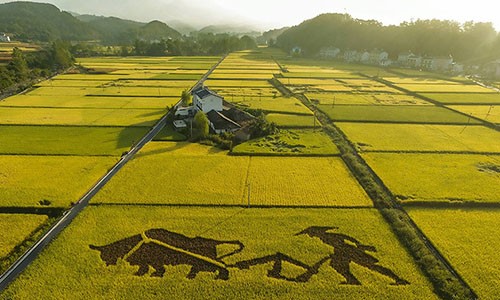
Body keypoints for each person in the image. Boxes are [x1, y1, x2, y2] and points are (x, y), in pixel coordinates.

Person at [296, 226, 409, 285]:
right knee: (336, 266)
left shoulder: (329, 235)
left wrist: (358, 244)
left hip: (349, 251)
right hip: (341, 252)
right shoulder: (323, 237)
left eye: (311, 233)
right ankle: (352, 280)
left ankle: (398, 279)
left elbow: (345, 238)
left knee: (371, 266)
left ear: (317, 232)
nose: (311, 235)